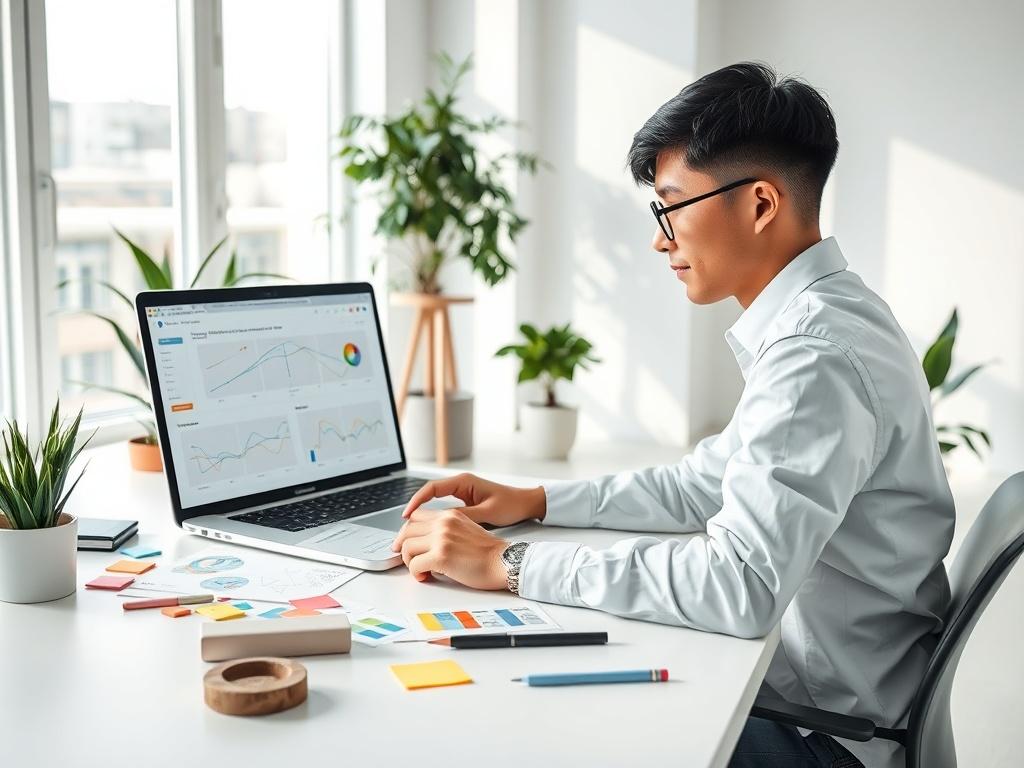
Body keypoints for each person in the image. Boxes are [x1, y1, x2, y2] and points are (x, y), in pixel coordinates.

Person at [391, 61, 954, 768]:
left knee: (527, 722)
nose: (661, 239)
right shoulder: (829, 317)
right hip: (823, 696)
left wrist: (509, 562)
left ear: (758, 204)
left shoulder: (815, 354)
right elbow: (703, 485)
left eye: (672, 206)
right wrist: (535, 498)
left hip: (824, 736)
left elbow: (739, 585)